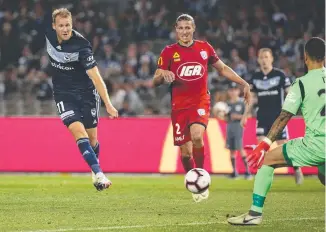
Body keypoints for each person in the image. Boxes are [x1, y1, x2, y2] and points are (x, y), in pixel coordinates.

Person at [153, 14, 251, 202]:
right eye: (180, 28)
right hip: (179, 107)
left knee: (197, 136)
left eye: (187, 28)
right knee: (185, 153)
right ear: (176, 29)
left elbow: (222, 68)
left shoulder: (204, 48)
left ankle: (202, 176)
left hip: (200, 102)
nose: (184, 32)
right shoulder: (168, 52)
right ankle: (194, 181)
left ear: (193, 29)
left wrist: (243, 83)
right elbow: (155, 80)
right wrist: (163, 74)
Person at [227, 37, 325, 225]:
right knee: (323, 174)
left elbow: (284, 116)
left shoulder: (301, 84)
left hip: (315, 144)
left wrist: (265, 144)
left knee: (268, 159)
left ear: (305, 57)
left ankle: (254, 214)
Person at [46, 8, 118, 191]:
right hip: (63, 95)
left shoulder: (82, 46)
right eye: (61, 25)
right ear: (53, 26)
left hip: (86, 94)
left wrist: (108, 104)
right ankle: (99, 173)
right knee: (79, 133)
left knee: (92, 139)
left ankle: (95, 171)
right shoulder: (47, 35)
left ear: (72, 25)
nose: (65, 29)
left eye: (68, 25)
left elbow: (95, 76)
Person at [248, 48, 303, 184]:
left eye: (266, 57)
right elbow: (252, 98)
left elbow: (289, 93)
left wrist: (293, 108)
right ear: (258, 60)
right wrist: (245, 114)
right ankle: (262, 179)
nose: (264, 60)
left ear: (271, 59)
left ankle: (296, 168)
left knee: (284, 148)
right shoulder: (255, 77)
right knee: (260, 149)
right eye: (261, 57)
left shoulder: (280, 75)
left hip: (278, 118)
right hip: (262, 118)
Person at [225, 82, 252, 179]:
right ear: (229, 92)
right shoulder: (227, 104)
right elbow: (226, 118)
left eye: (235, 90)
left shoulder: (242, 102)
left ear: (238, 91)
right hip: (229, 127)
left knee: (240, 149)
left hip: (238, 127)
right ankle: (234, 172)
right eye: (231, 90)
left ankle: (248, 172)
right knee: (231, 150)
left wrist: (238, 116)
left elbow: (248, 115)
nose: (233, 92)